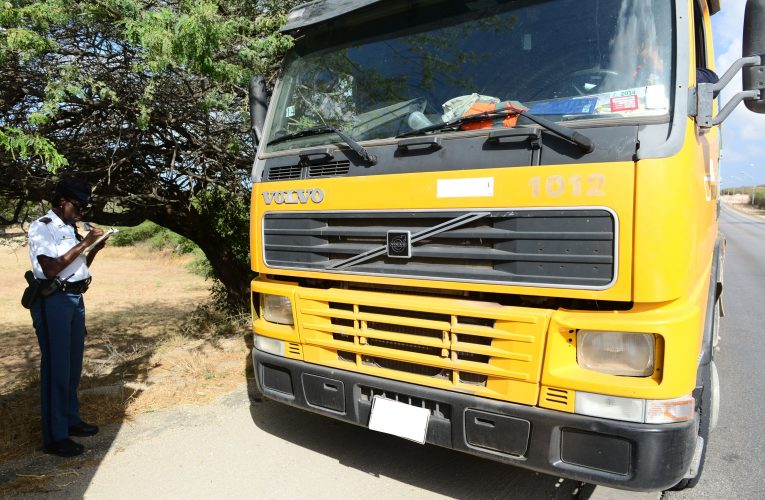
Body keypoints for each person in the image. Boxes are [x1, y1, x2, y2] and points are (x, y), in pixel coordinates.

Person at [27, 177, 107, 457]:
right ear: (61, 201)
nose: (82, 211)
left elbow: (76, 265)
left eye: (85, 206)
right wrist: (85, 242)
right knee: (56, 368)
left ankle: (71, 420)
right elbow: (50, 269)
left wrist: (92, 249)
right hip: (54, 301)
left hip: (75, 297)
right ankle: (55, 436)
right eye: (79, 205)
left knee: (72, 366)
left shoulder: (70, 228)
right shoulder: (42, 227)